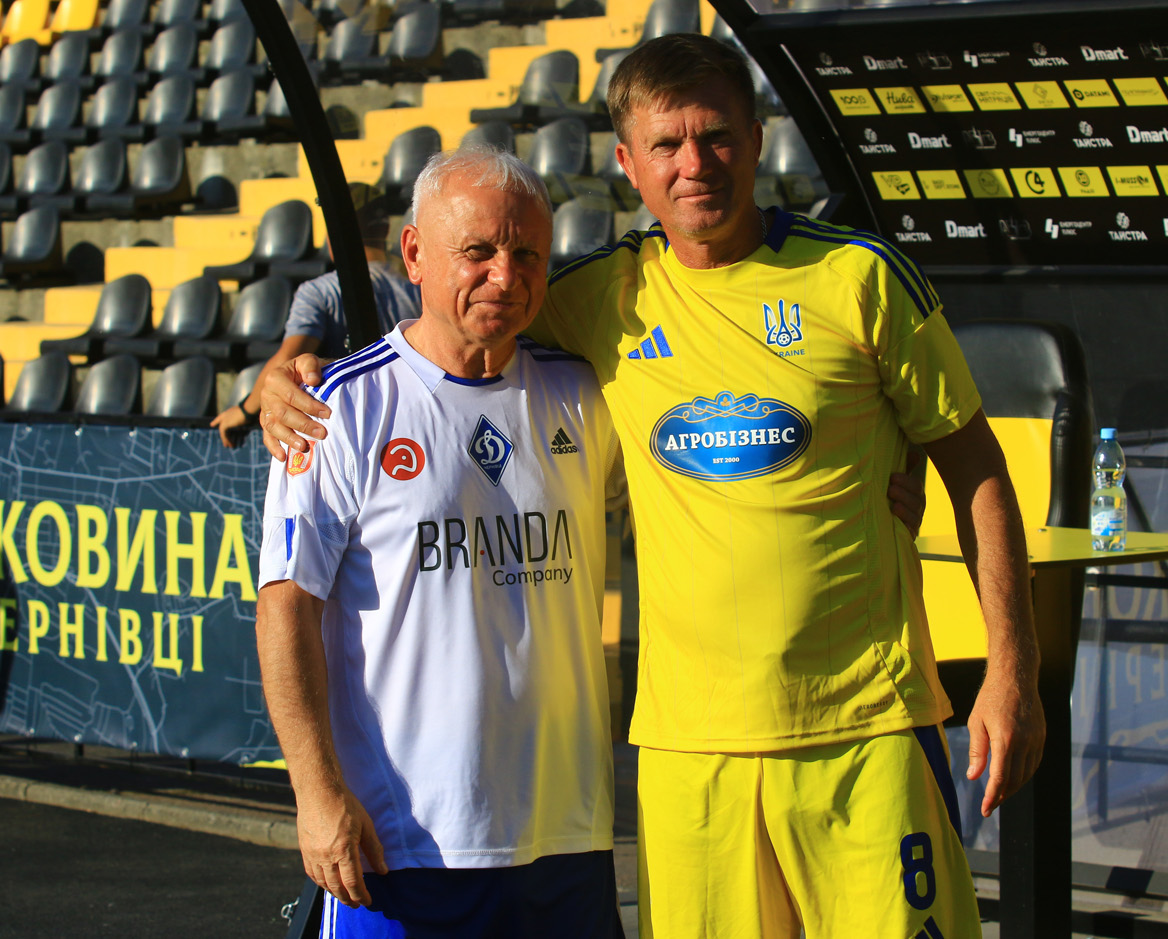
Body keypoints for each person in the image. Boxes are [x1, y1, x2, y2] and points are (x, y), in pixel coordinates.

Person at [260, 35, 1045, 939]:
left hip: (864, 727)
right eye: (666, 144)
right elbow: (453, 325)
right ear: (629, 165)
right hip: (687, 755)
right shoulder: (600, 297)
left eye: (716, 135)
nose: (694, 163)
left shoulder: (859, 277)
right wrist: (284, 371)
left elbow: (977, 468)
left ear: (757, 138)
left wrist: (1010, 671)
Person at [256, 150, 626, 937]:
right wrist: (316, 794)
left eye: (528, 254)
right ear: (415, 252)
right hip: (403, 848)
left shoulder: (587, 394)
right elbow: (285, 612)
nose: (505, 275)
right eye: (478, 251)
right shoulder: (335, 408)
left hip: (568, 835)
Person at [211, 182, 421, 447]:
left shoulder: (319, 292)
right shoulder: (417, 283)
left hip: (346, 428)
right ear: (385, 230)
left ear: (334, 232)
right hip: (407, 422)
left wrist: (243, 410)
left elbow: (288, 359)